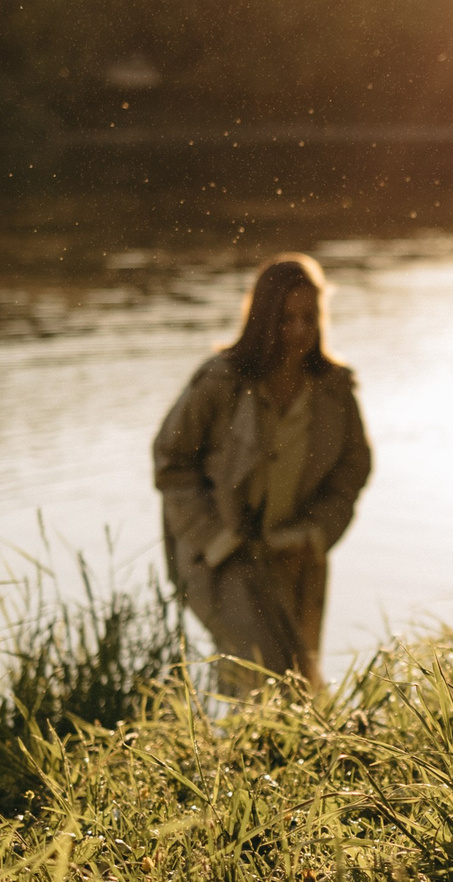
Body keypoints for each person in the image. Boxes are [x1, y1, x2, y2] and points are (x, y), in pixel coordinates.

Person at [153, 254, 371, 691]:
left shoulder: (334, 388)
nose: (299, 331)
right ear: (261, 318)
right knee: (260, 674)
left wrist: (313, 533)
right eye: (285, 319)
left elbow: (353, 469)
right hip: (222, 556)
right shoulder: (219, 382)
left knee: (299, 675)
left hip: (297, 554)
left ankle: (279, 755)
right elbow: (171, 463)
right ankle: (243, 755)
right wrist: (218, 539)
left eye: (309, 317)